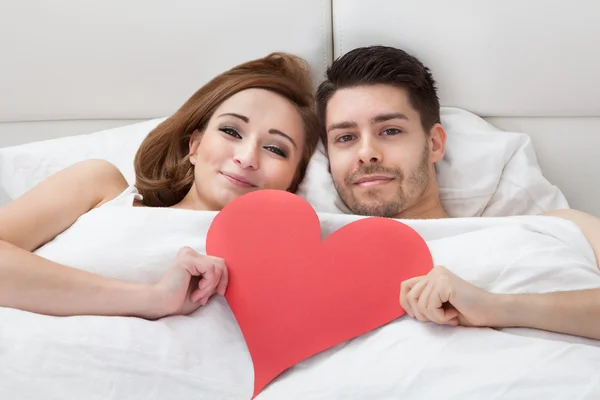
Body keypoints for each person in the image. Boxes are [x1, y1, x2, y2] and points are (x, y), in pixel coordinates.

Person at [0, 52, 320, 320]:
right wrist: (152, 299)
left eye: (276, 149)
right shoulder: (101, 189)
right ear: (194, 146)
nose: (247, 157)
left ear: (294, 180)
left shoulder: (283, 261)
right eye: (231, 131)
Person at [315, 45, 600, 341]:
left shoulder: (558, 226)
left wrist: (494, 308)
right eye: (345, 137)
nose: (367, 153)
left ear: (435, 144)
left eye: (390, 131)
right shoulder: (310, 268)